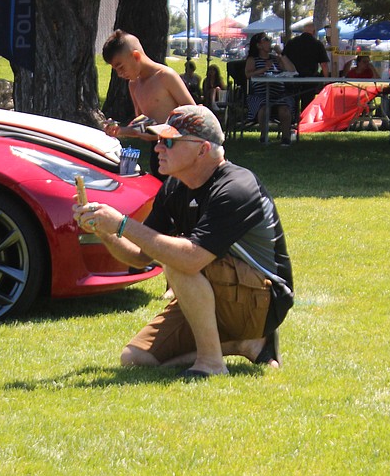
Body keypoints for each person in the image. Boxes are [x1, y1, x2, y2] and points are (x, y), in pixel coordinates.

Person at [73, 105, 293, 378]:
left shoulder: (236, 187)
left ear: (202, 149)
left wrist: (122, 224)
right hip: (218, 291)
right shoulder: (175, 186)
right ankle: (240, 344)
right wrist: (105, 230)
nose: (157, 149)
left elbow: (191, 259)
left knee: (177, 259)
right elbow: (140, 256)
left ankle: (212, 363)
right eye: (159, 141)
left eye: (169, 142)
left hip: (261, 301)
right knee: (136, 358)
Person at [100, 29, 195, 177]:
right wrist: (119, 131)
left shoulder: (165, 76)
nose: (120, 74)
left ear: (136, 56)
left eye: (121, 67)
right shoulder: (133, 85)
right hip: (157, 155)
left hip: (179, 154)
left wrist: (163, 133)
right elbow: (143, 126)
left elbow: (194, 117)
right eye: (115, 70)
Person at [244, 33, 297, 146]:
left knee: (285, 109)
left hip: (278, 93)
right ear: (259, 45)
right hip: (260, 93)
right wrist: (263, 69)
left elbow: (292, 71)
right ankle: (264, 137)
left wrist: (281, 54)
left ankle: (286, 139)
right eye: (266, 39)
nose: (270, 41)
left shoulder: (276, 58)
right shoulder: (253, 59)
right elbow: (248, 75)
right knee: (264, 109)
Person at [282, 23, 331, 110]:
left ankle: (294, 120)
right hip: (310, 79)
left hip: (293, 78)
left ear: (303, 30)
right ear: (314, 31)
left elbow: (283, 58)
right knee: (307, 105)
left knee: (293, 102)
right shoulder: (317, 44)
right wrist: (326, 80)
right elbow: (324, 64)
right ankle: (304, 121)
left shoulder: (291, 42)